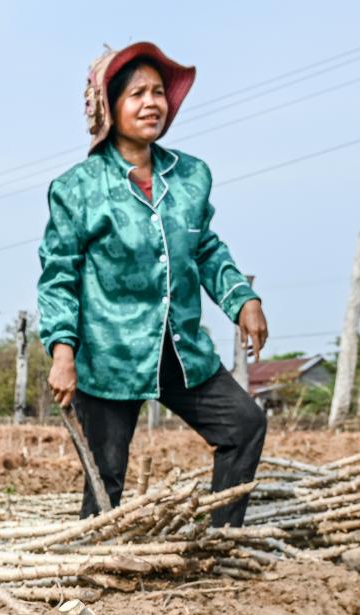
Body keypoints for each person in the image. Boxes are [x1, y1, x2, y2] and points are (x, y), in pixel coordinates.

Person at [38, 43, 270, 526]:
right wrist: (63, 350)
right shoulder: (77, 188)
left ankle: (220, 540)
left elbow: (203, 247)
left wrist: (241, 299)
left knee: (244, 425)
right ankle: (96, 566)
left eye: (159, 92)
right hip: (107, 354)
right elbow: (59, 273)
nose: (151, 103)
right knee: (106, 477)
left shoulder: (189, 176)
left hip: (177, 347)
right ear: (109, 107)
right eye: (137, 94)